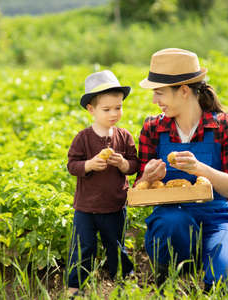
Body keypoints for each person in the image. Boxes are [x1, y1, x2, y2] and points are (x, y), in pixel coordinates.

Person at [135, 48, 228, 291]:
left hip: (217, 218)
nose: (154, 101)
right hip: (172, 218)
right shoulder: (152, 128)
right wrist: (146, 178)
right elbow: (139, 191)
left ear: (183, 91)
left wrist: (202, 169)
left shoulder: (224, 126)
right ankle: (174, 271)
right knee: (171, 222)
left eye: (159, 93)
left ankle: (216, 260)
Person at [66, 70, 139, 295]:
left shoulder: (124, 136)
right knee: (83, 247)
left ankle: (124, 279)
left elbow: (135, 164)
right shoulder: (83, 138)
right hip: (86, 207)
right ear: (91, 109)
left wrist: (123, 164)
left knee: (115, 245)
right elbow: (72, 165)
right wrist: (89, 165)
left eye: (118, 108)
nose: (114, 113)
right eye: (107, 109)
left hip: (115, 205)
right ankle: (75, 286)